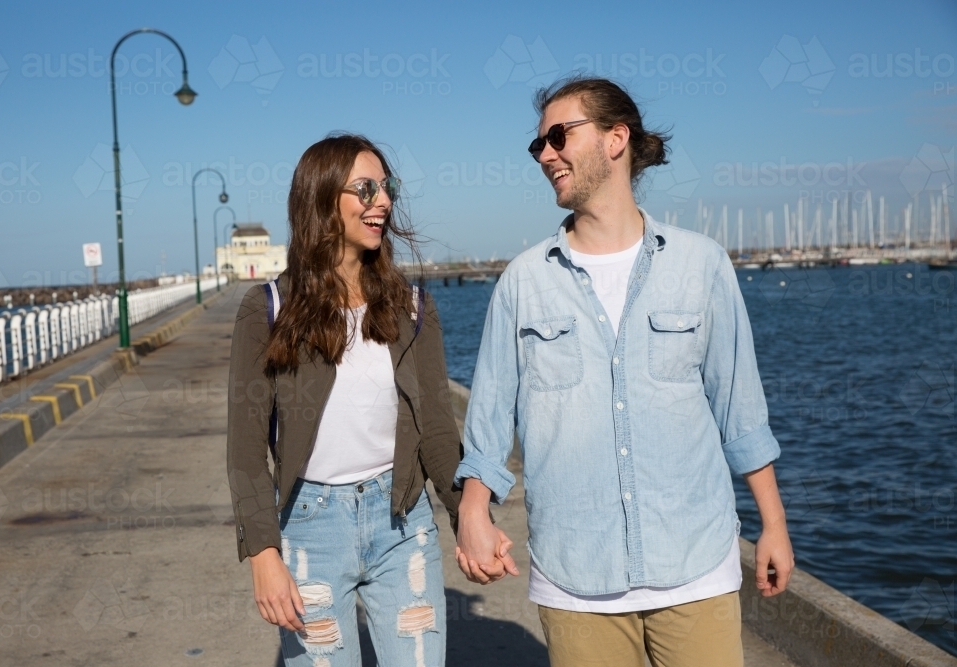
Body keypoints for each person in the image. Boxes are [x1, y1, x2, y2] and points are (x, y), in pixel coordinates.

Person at [453, 76, 795, 667]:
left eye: (559, 137)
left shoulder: (701, 264)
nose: (545, 155)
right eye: (538, 145)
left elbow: (740, 409)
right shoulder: (524, 282)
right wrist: (472, 512)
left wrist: (773, 524)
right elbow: (488, 417)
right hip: (574, 575)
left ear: (617, 139)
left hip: (696, 566)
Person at [227, 134, 463, 667]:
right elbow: (245, 452)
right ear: (321, 198)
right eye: (366, 188)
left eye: (387, 187)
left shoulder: (412, 306)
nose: (383, 200)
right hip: (310, 525)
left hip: (402, 520)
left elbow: (438, 433)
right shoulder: (266, 309)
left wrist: (465, 513)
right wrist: (263, 552)